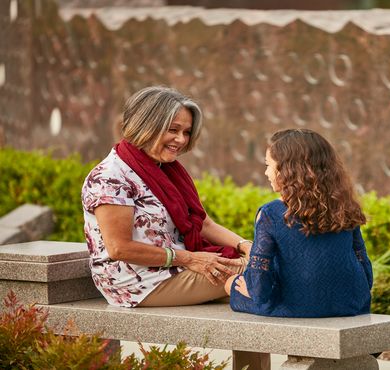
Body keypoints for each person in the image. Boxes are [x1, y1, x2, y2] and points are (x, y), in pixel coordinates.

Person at [81, 86, 252, 308]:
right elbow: (119, 248)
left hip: (176, 267)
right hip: (138, 282)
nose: (181, 140)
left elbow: (203, 225)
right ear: (146, 125)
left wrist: (246, 246)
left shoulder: (166, 170)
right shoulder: (110, 177)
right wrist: (191, 259)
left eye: (187, 132)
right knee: (262, 272)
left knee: (260, 272)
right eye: (173, 130)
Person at [225, 128, 373, 317]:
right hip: (352, 304)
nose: (266, 172)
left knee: (230, 284)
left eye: (269, 165)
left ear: (287, 171)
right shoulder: (344, 205)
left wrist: (249, 290)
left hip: (298, 306)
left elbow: (259, 286)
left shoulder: (271, 213)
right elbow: (364, 267)